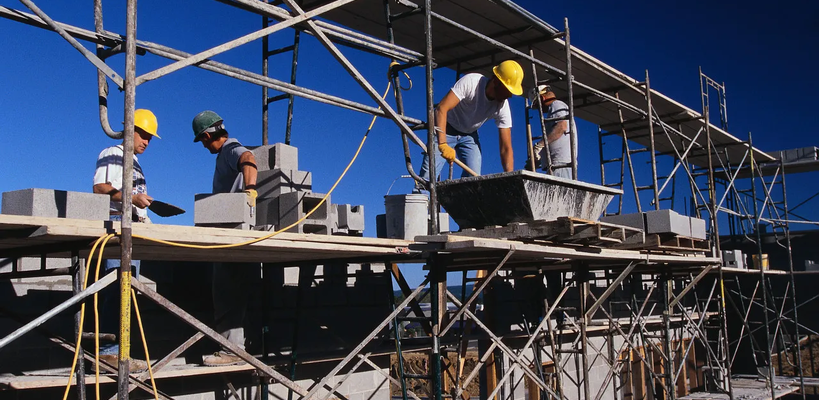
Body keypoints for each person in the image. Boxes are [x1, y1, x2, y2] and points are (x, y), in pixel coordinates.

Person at [92, 108, 159, 372]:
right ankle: (109, 353)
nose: (147, 141)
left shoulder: (135, 161)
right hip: (117, 228)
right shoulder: (113, 153)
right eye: (144, 135)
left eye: (150, 138)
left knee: (127, 291)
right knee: (116, 289)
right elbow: (100, 189)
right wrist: (132, 197)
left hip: (134, 228)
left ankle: (121, 351)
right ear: (130, 130)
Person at [192, 110, 259, 367]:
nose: (204, 146)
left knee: (227, 292)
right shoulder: (224, 154)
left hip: (232, 234)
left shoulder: (231, 149)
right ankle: (237, 348)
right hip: (230, 232)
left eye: (203, 141)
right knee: (233, 292)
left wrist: (250, 190)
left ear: (208, 135)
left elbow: (248, 157)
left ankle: (231, 351)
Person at [418, 60, 523, 182]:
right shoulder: (471, 82)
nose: (509, 96)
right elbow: (441, 109)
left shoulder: (502, 106)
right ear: (496, 82)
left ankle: (460, 200)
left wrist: (510, 177)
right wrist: (442, 144)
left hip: (469, 135)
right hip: (446, 128)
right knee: (428, 177)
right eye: (508, 90)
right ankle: (422, 198)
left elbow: (506, 147)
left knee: (473, 178)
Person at [527, 84, 578, 179]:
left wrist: (540, 145)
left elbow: (561, 126)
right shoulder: (555, 108)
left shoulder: (556, 104)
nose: (539, 109)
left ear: (541, 98)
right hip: (557, 165)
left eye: (538, 106)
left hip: (560, 165)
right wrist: (539, 159)